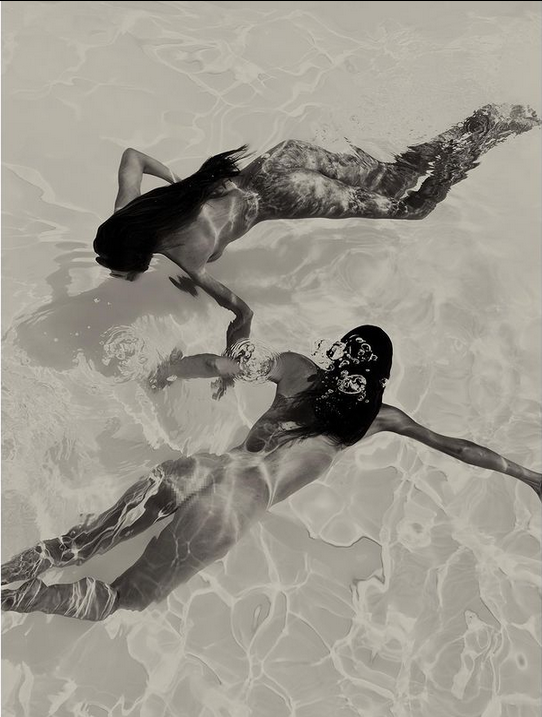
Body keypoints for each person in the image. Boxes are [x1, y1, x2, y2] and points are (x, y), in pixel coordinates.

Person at [2, 327, 540, 621]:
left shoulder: (297, 369)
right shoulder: (378, 418)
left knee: (74, 545)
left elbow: (216, 365)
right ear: (379, 377)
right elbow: (459, 448)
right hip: (228, 511)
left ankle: (8, 574)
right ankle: (17, 598)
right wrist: (530, 477)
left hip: (195, 470)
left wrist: (162, 371)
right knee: (121, 598)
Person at [93, 103, 540, 347]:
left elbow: (243, 312)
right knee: (396, 177)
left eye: (123, 268)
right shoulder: (133, 209)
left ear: (141, 254)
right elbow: (133, 156)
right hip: (282, 158)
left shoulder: (186, 258)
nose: (121, 273)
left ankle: (483, 140)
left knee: (412, 208)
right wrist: (179, 184)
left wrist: (235, 352)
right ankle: (477, 123)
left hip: (285, 193)